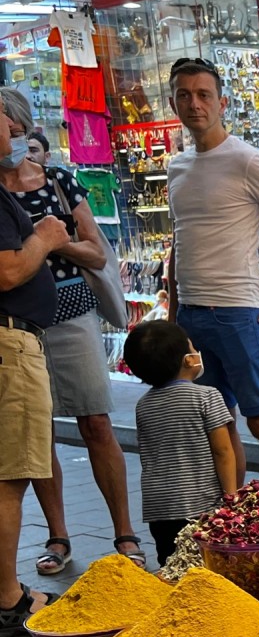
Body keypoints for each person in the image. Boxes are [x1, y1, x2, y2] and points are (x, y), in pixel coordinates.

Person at [0, 88, 145, 571]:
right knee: (37, 435)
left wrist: (50, 242)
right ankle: (58, 537)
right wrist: (40, 241)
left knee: (96, 422)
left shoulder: (59, 181)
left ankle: (125, 533)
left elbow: (96, 253)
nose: (11, 141)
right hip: (19, 324)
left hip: (72, 312)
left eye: (16, 131)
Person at [166, 57, 259, 483]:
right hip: (193, 315)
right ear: (173, 102)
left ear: (222, 103)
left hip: (240, 313)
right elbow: (180, 241)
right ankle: (233, 511)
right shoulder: (176, 167)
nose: (194, 103)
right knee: (216, 426)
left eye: (204, 95)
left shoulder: (248, 161)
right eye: (184, 95)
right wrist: (175, 313)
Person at [0, 112, 72, 635]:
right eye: (6, 128)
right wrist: (45, 237)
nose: (16, 136)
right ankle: (8, 599)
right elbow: (7, 271)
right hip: (10, 345)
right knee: (10, 476)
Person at [122, 321, 237, 566]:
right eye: (193, 348)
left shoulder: (143, 405)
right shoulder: (207, 396)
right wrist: (231, 497)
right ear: (188, 360)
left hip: (159, 509)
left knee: (171, 565)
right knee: (207, 566)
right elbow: (223, 451)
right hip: (200, 505)